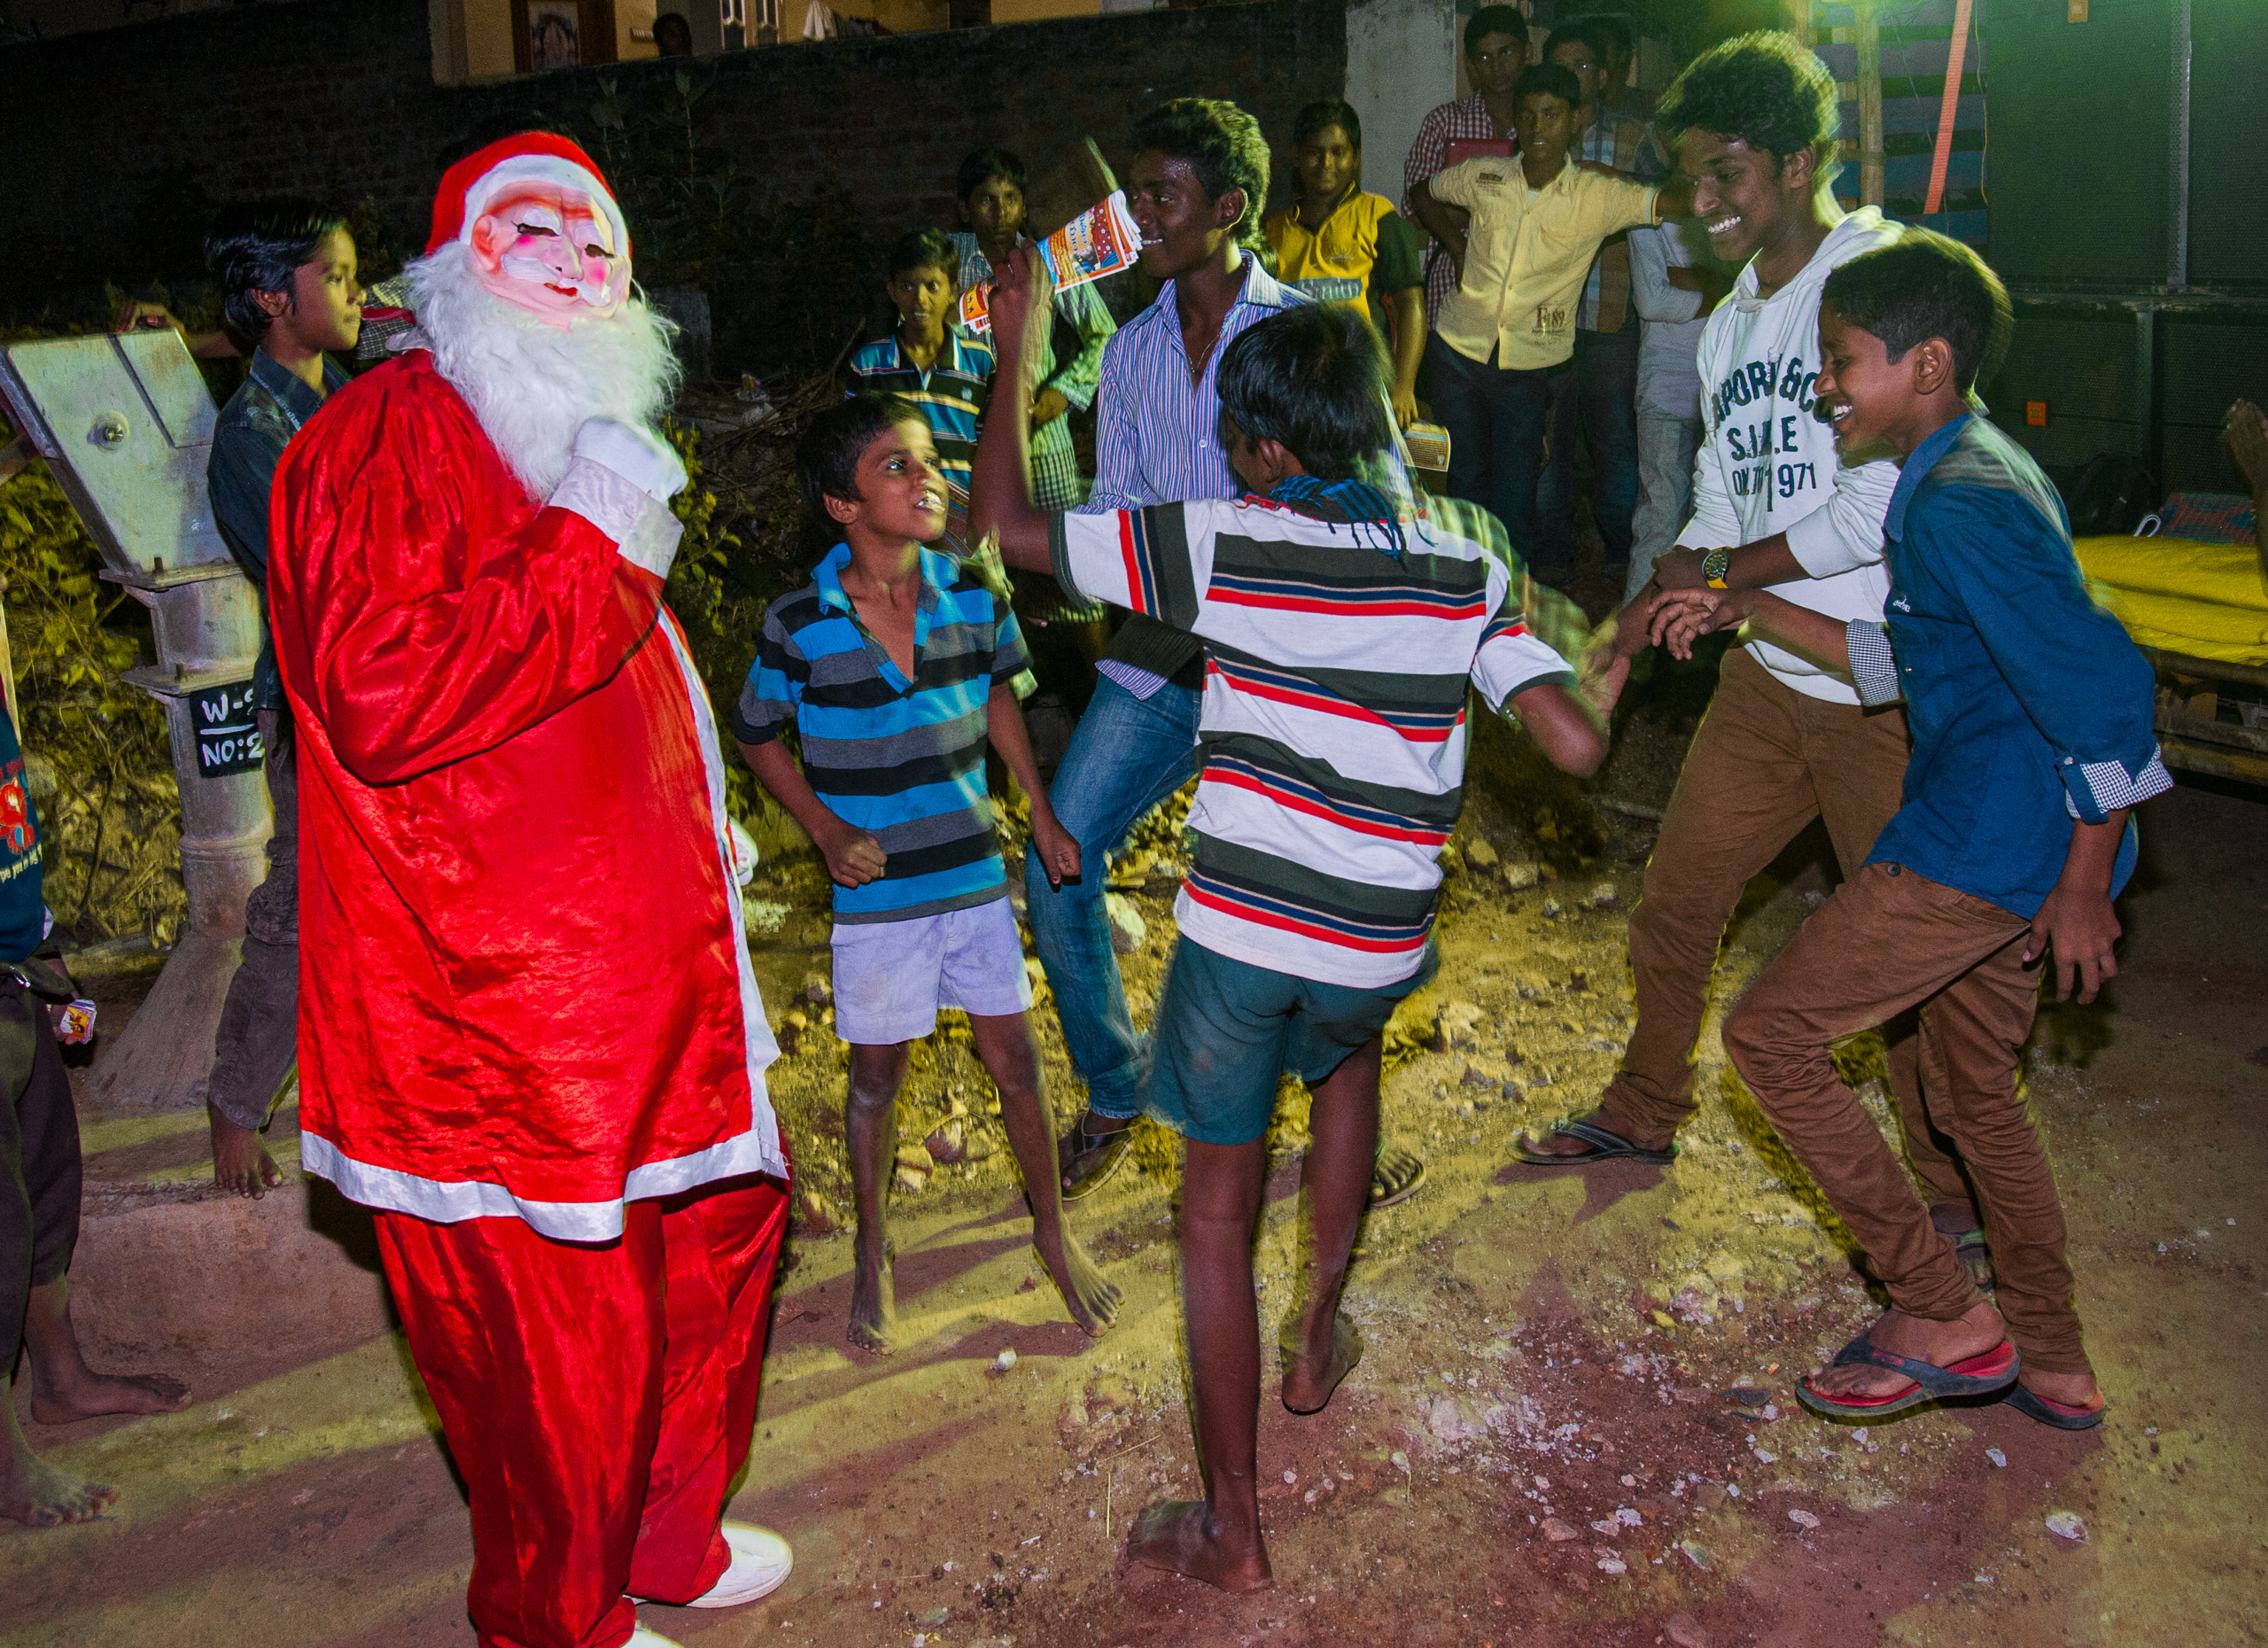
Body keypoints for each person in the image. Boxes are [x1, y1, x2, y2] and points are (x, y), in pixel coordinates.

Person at [975, 260, 1608, 1590]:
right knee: (1350, 1061)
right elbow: (1570, 739)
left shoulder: (1225, 541)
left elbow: (1004, 522)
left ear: (1263, 448)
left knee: (1211, 1215)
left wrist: (1017, 340)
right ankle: (1318, 1329)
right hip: (1377, 941)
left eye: (1236, 446)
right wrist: (1583, 638)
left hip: (1246, 935)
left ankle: (1233, 1525)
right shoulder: (1464, 553)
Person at [268, 134, 794, 1648]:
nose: (574, 252)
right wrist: (590, 541)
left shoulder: (564, 435)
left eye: (599, 233)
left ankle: (663, 1540)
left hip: (656, 982)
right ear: (448, 273)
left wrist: (701, 826)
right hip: (497, 1019)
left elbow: (616, 679)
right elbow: (381, 695)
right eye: (529, 226)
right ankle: (555, 1613)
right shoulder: (382, 442)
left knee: (714, 1246)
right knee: (551, 1323)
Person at [1655, 231, 2167, 1430]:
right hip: (2018, 833)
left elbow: (2104, 694)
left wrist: (2085, 882)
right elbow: (1903, 657)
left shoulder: (1958, 506)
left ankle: (1938, 1308)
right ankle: (2053, 1359)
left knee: (1771, 1038)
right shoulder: (1966, 471)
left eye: (1841, 362)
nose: (1825, 386)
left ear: (1925, 363)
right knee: (1974, 1093)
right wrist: (1748, 603)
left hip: (1983, 842)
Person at [1519, 36, 1978, 1270]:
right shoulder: (1726, 328)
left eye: (1727, 176)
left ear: (1798, 159)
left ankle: (1954, 1193)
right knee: (1677, 896)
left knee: (1909, 966)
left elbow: (1869, 514)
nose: (1705, 206)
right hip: (1770, 678)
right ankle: (1643, 1110)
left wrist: (1719, 582)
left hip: (1881, 684)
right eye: (1689, 183)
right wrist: (1649, 611)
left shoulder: (1875, 281)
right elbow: (1725, 500)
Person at [1021, 99, 1426, 1213]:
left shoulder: (1307, 333)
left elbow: (1385, 502)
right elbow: (1113, 515)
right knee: (1055, 855)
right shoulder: (1132, 347)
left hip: (1288, 673)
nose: (1138, 217)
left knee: (1303, 902)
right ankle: (1117, 1085)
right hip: (1162, 666)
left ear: (1229, 207)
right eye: (1135, 195)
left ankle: (1339, 1130)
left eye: (1162, 197)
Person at [730, 395, 1120, 1356]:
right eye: (894, 468)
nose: (926, 478)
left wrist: (1039, 805)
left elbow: (995, 697)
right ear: (841, 507)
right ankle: (874, 1251)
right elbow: (753, 735)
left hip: (974, 873)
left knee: (1017, 1064)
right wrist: (823, 831)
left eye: (924, 461)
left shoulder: (974, 597)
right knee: (876, 1079)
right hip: (877, 897)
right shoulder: (798, 624)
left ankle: (1051, 1231)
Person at [198, 198, 363, 1199]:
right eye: (334, 275)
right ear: (272, 297)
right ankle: (233, 1100)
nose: (354, 290)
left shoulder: (340, 394)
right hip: (313, 697)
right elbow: (328, 569)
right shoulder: (250, 434)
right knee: (299, 905)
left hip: (378, 685)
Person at [1, 705, 192, 1528]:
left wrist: (42, 952)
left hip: (11, 971)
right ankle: (3, 1468)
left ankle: (62, 1382)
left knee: (45, 1185)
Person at [1420, 62, 1693, 587]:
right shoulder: (1487, 175)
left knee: (1517, 491)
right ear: (1516, 122)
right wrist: (1455, 245)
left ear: (1575, 122)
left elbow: (1666, 202)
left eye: (1552, 114)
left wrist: (1722, 180)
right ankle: (1458, 597)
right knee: (1462, 482)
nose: (1539, 126)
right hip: (1457, 350)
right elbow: (1424, 192)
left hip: (1530, 365)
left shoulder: (1595, 194)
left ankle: (1507, 607)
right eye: (1528, 114)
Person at [1534, 19, 1665, 589]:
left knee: (1617, 447)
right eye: (1560, 67)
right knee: (1549, 448)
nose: (1572, 77)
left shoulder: (1637, 138)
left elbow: (1669, 204)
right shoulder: (1536, 137)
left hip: (1612, 319)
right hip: (1546, 321)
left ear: (1603, 75)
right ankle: (1553, 563)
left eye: (1582, 66)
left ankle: (1620, 558)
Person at [947, 146, 1119, 511]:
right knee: (981, 549)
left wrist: (1065, 392)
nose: (1000, 213)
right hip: (967, 438)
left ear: (1024, 207)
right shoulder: (947, 260)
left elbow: (1105, 333)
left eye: (1011, 199)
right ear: (964, 210)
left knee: (1054, 547)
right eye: (985, 200)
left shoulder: (1048, 260)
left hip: (1042, 437)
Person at [1262, 99, 1427, 429]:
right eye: (1315, 152)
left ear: (1356, 159)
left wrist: (1405, 386)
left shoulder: (1378, 217)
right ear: (1296, 157)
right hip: (1295, 385)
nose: (1326, 163)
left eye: (1339, 152)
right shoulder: (1274, 230)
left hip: (1363, 384)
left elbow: (1410, 306)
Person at [1624, 216, 1731, 602]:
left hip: (1725, 386)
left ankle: (1697, 635)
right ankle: (1638, 644)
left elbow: (1748, 285)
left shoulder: (1727, 213)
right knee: (1661, 519)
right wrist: (1719, 284)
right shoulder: (1646, 218)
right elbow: (1653, 301)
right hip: (1664, 387)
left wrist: (1691, 279)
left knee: (1722, 519)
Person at [1403, 4, 1530, 330]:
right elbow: (1414, 212)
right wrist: (1484, 209)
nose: (1497, 67)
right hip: (1451, 295)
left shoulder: (1542, 126)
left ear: (1527, 53)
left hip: (1522, 299)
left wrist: (1456, 205)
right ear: (1471, 66)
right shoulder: (1444, 123)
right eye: (1484, 57)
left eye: (1506, 51)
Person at [848, 228, 996, 493]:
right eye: (908, 286)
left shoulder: (979, 363)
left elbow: (992, 450)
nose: (920, 298)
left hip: (961, 515)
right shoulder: (868, 365)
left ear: (953, 292)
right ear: (891, 291)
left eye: (932, 286)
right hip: (896, 514)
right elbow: (855, 450)